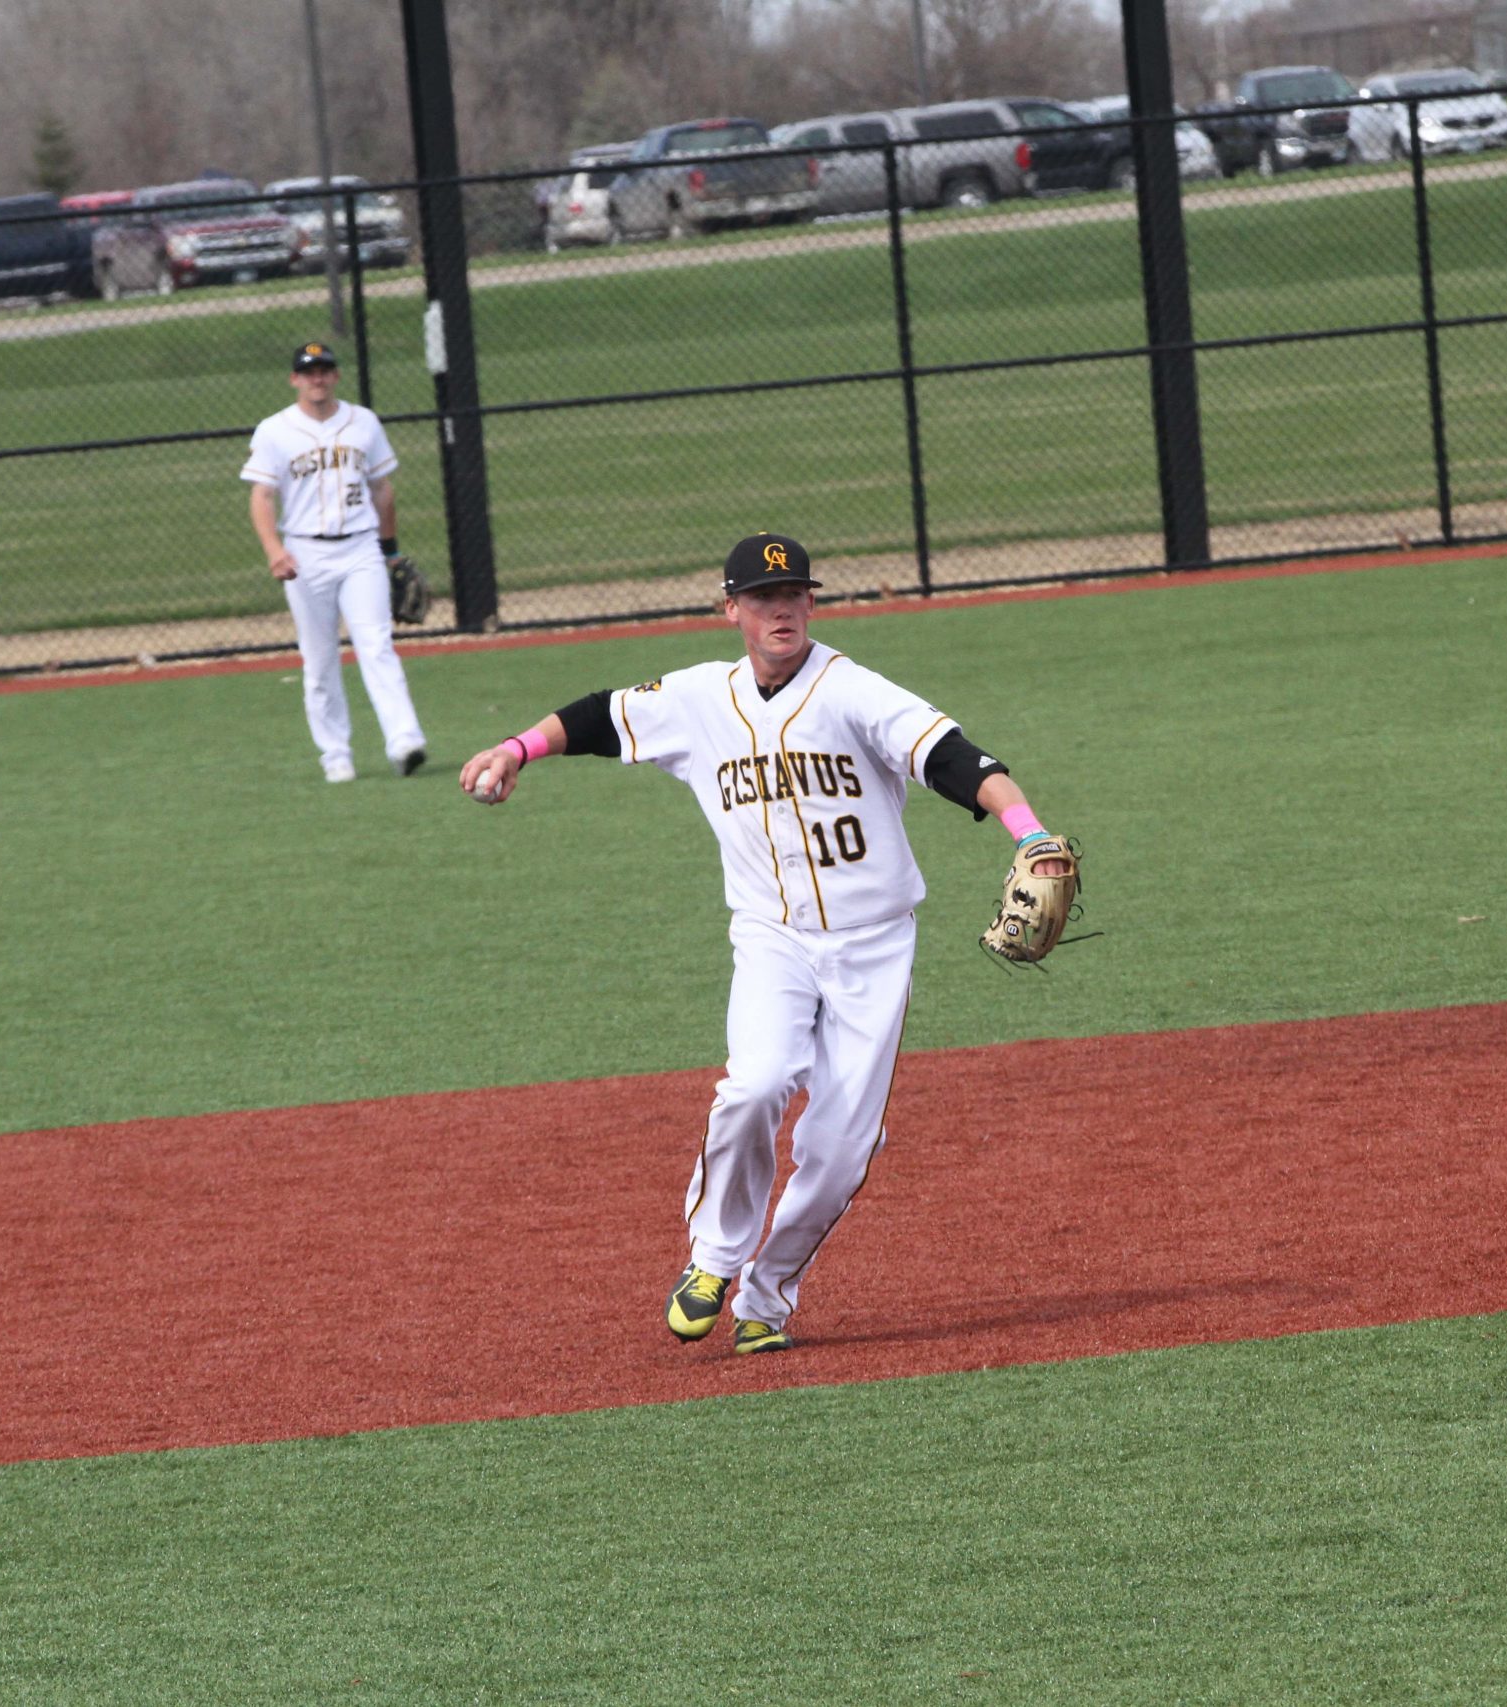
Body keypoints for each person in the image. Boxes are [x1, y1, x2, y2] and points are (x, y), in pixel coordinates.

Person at [458, 532, 1075, 1355]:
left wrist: (1028, 832)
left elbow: (954, 756)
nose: (779, 610)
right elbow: (600, 714)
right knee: (754, 1085)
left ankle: (767, 1295)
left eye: (792, 597)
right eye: (760, 598)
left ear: (811, 603)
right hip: (772, 938)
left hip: (872, 944)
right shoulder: (699, 699)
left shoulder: (853, 691)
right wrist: (515, 750)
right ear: (732, 611)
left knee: (841, 1149)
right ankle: (713, 1257)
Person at [243, 340, 427, 782]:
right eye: (308, 371)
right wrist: (274, 550)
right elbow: (262, 496)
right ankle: (335, 754)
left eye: (324, 369)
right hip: (304, 552)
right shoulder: (275, 430)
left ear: (336, 375)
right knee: (320, 658)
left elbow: (382, 489)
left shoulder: (363, 422)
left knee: (376, 645)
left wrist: (391, 551)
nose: (317, 378)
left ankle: (404, 741)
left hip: (361, 546)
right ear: (294, 379)